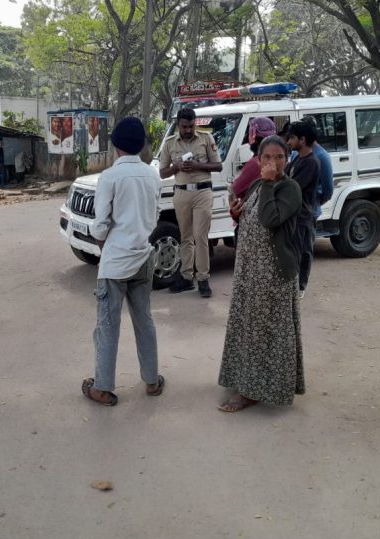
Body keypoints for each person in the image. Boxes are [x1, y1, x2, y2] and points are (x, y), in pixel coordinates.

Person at [218, 135, 304, 412]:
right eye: (267, 157)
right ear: (258, 160)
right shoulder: (256, 185)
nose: (273, 162)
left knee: (266, 332)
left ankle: (255, 390)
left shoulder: (290, 188)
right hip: (249, 271)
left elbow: (270, 219)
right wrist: (236, 214)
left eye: (279, 157)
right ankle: (244, 378)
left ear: (286, 160)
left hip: (272, 274)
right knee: (247, 327)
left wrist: (268, 184)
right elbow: (251, 217)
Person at [82, 117, 164, 406]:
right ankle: (152, 381)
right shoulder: (153, 175)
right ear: (141, 144)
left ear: (115, 145)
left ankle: (102, 387)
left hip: (115, 262)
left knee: (107, 325)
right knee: (144, 321)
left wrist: (106, 247)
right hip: (144, 256)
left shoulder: (110, 177)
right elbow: (154, 216)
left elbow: (101, 225)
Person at [158, 107, 222, 298]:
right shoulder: (169, 143)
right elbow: (162, 173)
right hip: (182, 194)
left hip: (202, 192)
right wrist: (176, 167)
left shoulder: (206, 139)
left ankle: (203, 279)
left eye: (191, 126)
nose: (188, 130)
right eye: (184, 126)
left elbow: (218, 165)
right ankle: (186, 278)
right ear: (178, 125)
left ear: (195, 123)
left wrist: (198, 165)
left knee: (200, 236)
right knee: (186, 237)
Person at [285, 122, 321, 299]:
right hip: (293, 215)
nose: (289, 141)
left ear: (302, 139)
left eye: (292, 137)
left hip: (303, 215)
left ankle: (300, 287)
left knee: (303, 251)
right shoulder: (297, 159)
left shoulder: (312, 163)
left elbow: (293, 187)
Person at [231, 117, 277, 198]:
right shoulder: (278, 160)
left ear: (253, 135)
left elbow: (235, 190)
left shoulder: (255, 163)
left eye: (249, 133)